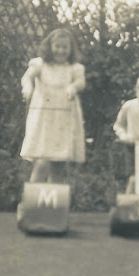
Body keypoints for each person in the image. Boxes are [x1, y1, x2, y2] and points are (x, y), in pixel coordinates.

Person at [20, 28, 86, 183]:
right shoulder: (40, 64)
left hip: (64, 116)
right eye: (57, 46)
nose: (61, 51)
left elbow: (81, 82)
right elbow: (26, 77)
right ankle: (31, 203)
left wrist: (73, 87)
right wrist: (27, 87)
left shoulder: (74, 68)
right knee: (42, 162)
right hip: (44, 116)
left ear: (70, 49)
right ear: (49, 46)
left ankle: (53, 205)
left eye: (65, 47)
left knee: (59, 163)